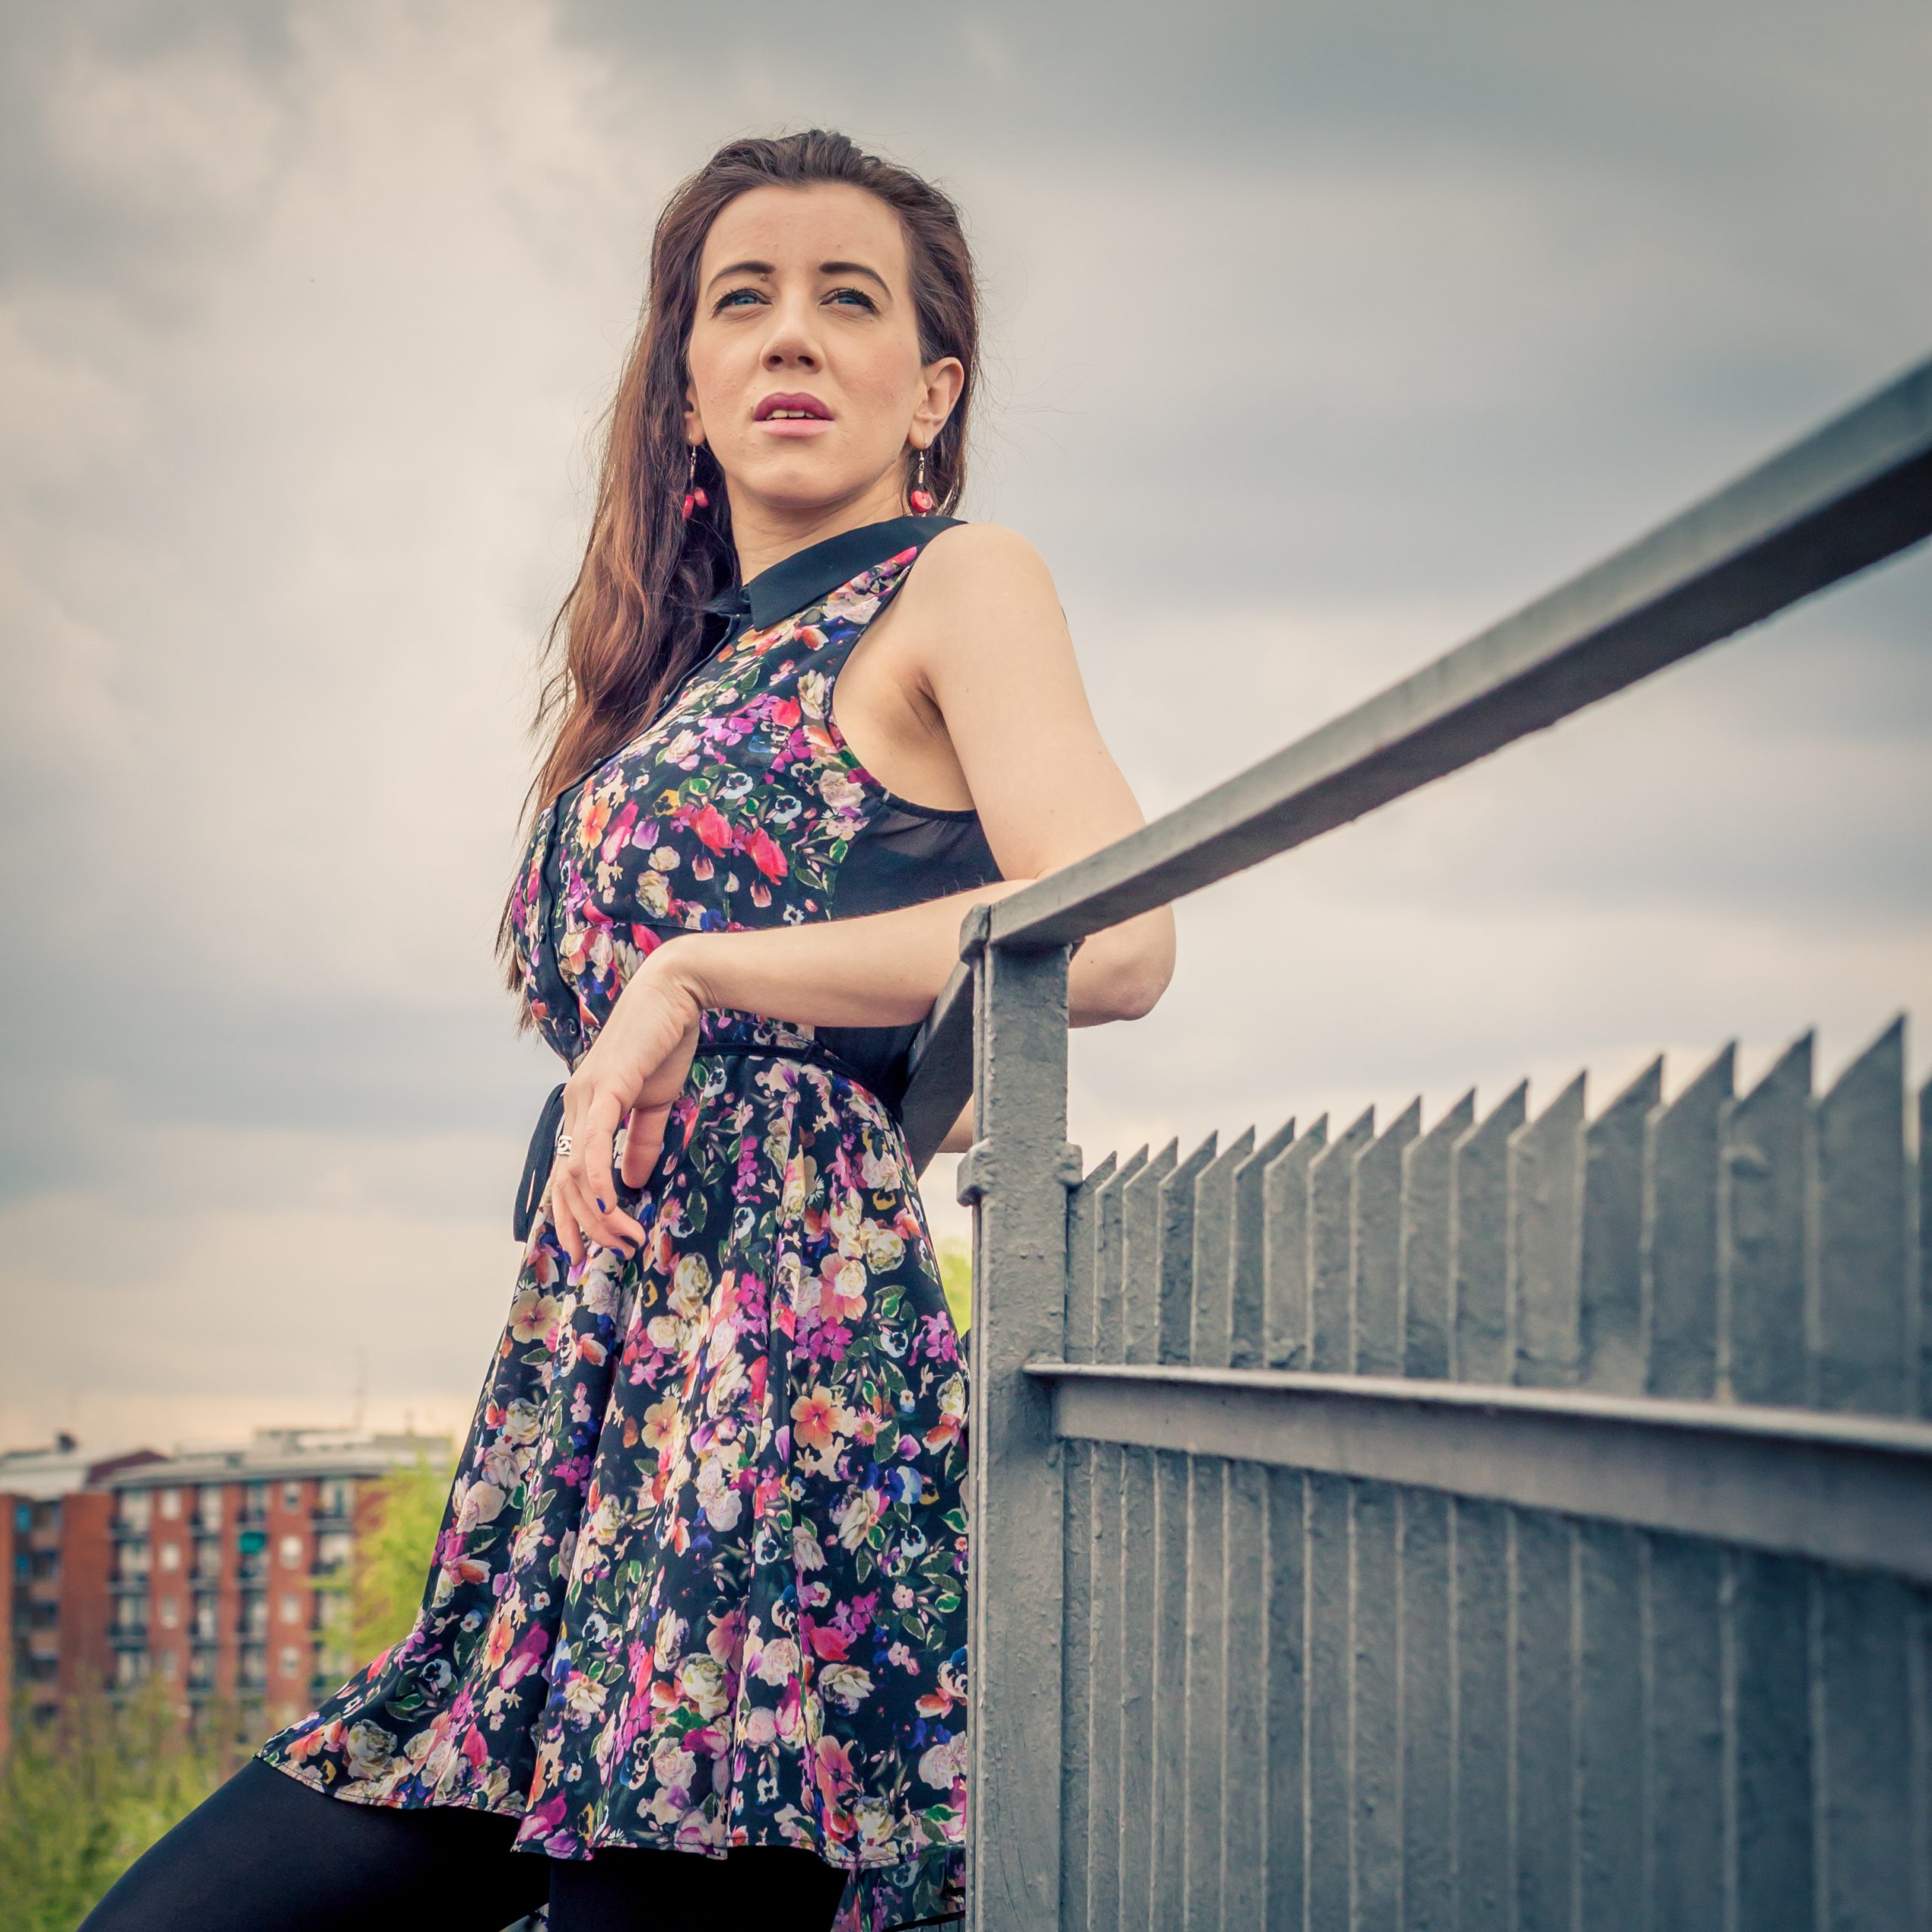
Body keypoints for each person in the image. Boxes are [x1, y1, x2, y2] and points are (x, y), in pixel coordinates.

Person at [82, 128, 1173, 1932]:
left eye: (850, 300)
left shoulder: (955, 585)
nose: (792, 338)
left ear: (934, 385)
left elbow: (1117, 931)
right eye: (741, 302)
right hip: (578, 1429)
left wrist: (696, 971)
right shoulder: (671, 678)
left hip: (776, 1410)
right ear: (683, 391)